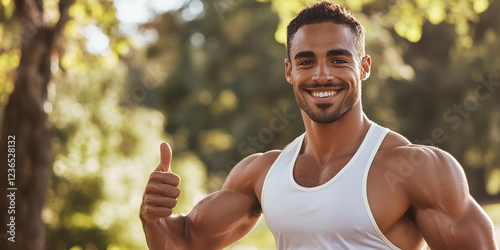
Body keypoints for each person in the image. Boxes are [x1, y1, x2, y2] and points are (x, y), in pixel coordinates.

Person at [140, 1, 497, 249]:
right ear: (289, 71)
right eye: (306, 61)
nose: (322, 74)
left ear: (364, 67)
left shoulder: (418, 169)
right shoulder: (262, 172)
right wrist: (153, 218)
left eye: (338, 59)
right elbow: (185, 241)